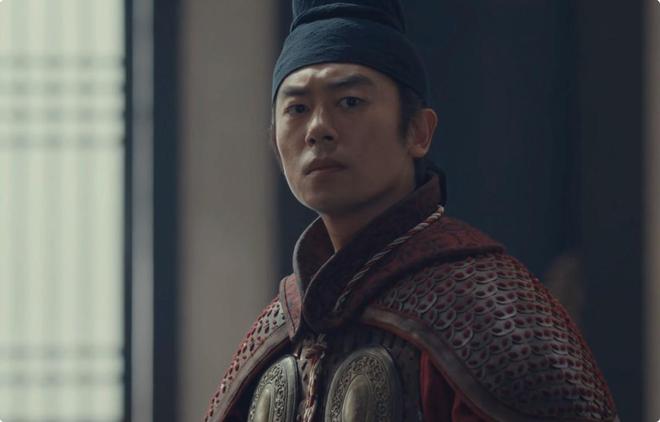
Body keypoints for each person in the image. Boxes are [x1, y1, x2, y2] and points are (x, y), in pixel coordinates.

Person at [203, 1, 618, 421]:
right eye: (297, 108)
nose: (318, 128)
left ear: (419, 131)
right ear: (274, 142)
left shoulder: (490, 309)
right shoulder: (272, 333)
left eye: (350, 101)